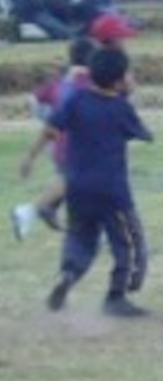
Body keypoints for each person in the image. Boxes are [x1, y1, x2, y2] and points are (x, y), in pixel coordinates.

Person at [44, 46, 154, 318]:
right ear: (119, 80)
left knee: (80, 236)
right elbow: (144, 134)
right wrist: (127, 95)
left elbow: (55, 124)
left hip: (77, 187)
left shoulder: (77, 99)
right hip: (112, 191)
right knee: (128, 242)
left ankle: (69, 273)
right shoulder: (120, 107)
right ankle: (117, 296)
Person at [11, 36, 96, 241]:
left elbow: (35, 99)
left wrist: (47, 117)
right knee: (75, 183)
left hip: (59, 144)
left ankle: (50, 212)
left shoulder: (61, 82)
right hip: (76, 147)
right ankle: (29, 212)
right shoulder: (91, 83)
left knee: (74, 186)